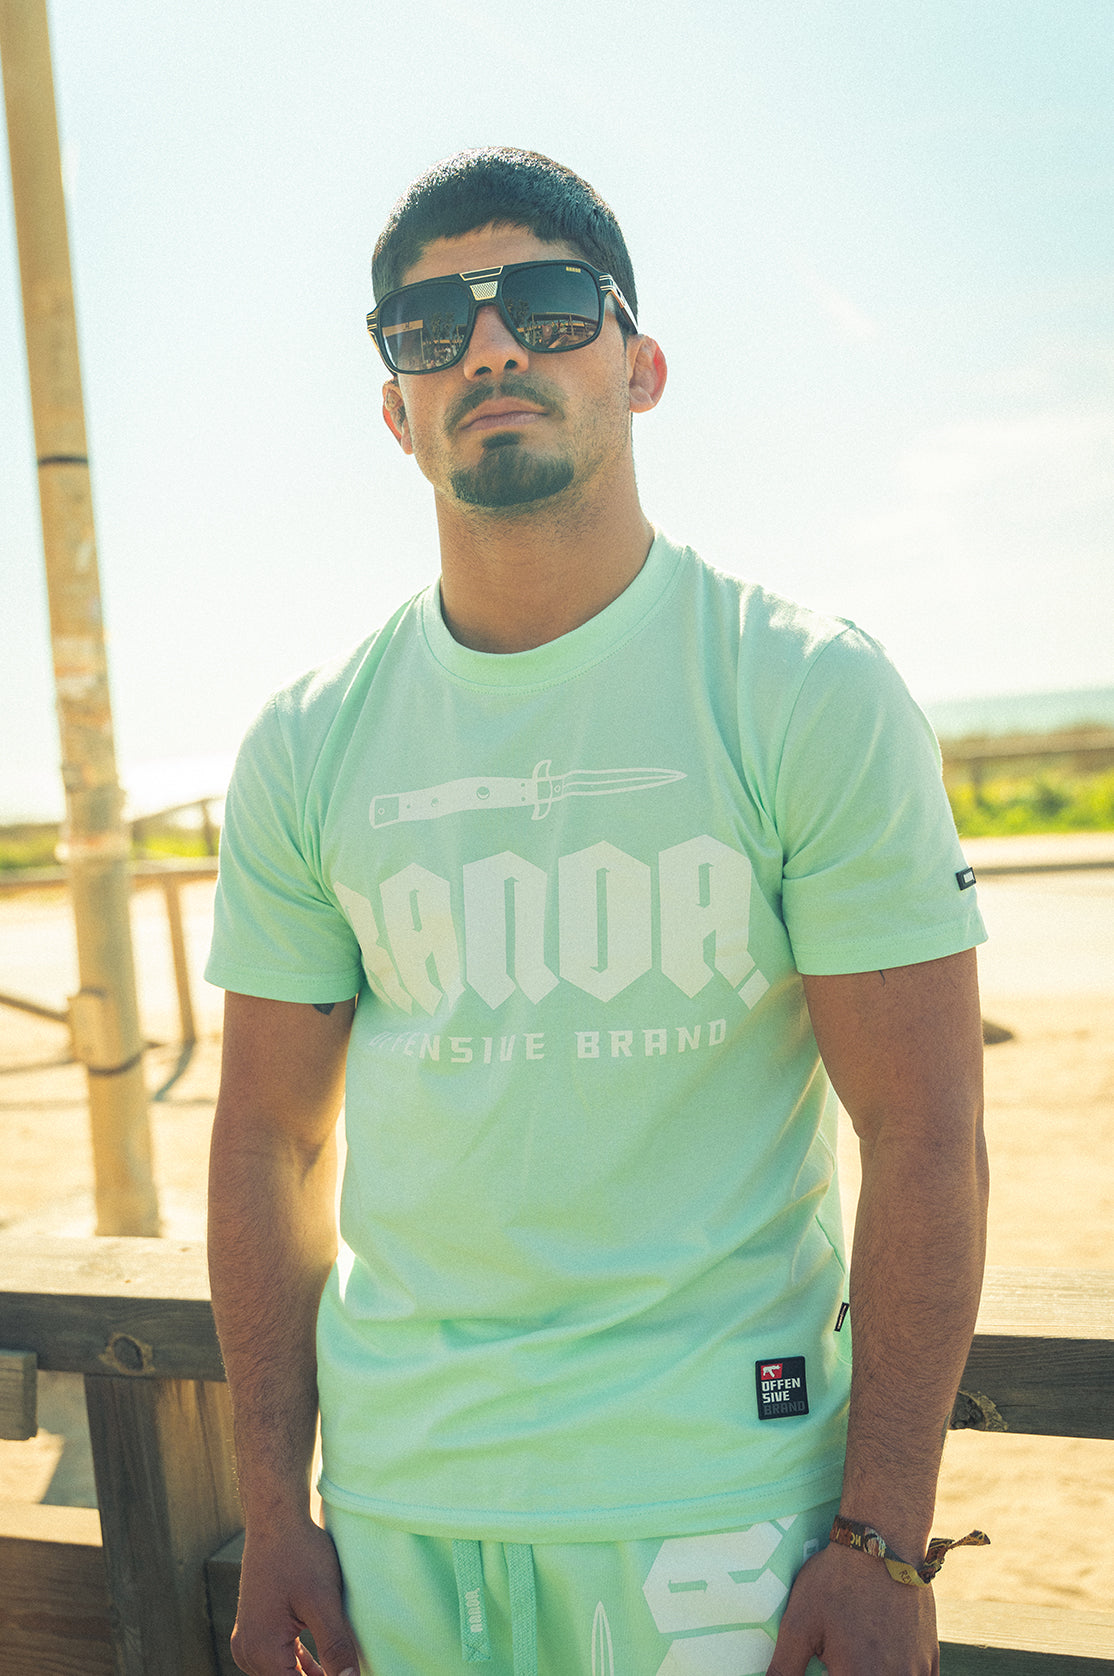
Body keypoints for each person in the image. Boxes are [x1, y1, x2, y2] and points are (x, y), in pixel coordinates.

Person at [206, 146, 990, 1676]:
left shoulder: (799, 687)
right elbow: (267, 1142)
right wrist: (274, 1510)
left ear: (640, 367)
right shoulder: (309, 738)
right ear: (395, 411)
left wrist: (883, 1537)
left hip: (723, 1508)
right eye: (430, 326)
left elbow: (924, 1130)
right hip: (399, 1512)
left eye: (550, 304)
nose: (491, 346)